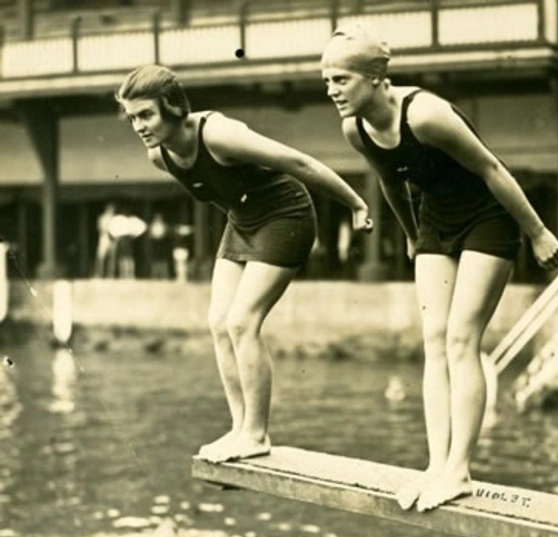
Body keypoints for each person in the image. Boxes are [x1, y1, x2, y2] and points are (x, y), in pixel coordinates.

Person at [321, 25, 558, 512]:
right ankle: (437, 465)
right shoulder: (356, 129)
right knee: (433, 339)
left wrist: (538, 233)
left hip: (487, 218)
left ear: (374, 77)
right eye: (326, 81)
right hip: (436, 222)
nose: (331, 91)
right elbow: (391, 181)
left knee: (460, 338)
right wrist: (413, 235)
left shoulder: (427, 115)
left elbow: (494, 170)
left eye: (341, 80)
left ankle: (460, 469)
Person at [116, 64, 372, 463]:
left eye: (146, 114)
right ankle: (239, 428)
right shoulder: (160, 157)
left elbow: (297, 163)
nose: (138, 126)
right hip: (242, 221)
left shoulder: (218, 134)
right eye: (131, 117)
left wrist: (354, 203)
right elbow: (224, 190)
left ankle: (257, 433)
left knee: (242, 322)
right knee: (218, 323)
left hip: (286, 215)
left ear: (173, 108)